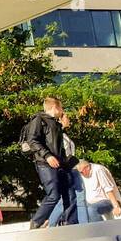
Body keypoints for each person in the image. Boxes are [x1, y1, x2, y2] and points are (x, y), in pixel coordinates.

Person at [25, 97, 77, 229]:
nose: (63, 111)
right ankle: (36, 222)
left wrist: (63, 127)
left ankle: (69, 223)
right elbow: (32, 140)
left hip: (60, 164)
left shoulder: (55, 123)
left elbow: (57, 143)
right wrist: (47, 156)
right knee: (53, 194)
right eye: (62, 108)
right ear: (55, 107)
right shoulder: (39, 119)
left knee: (70, 193)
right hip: (45, 163)